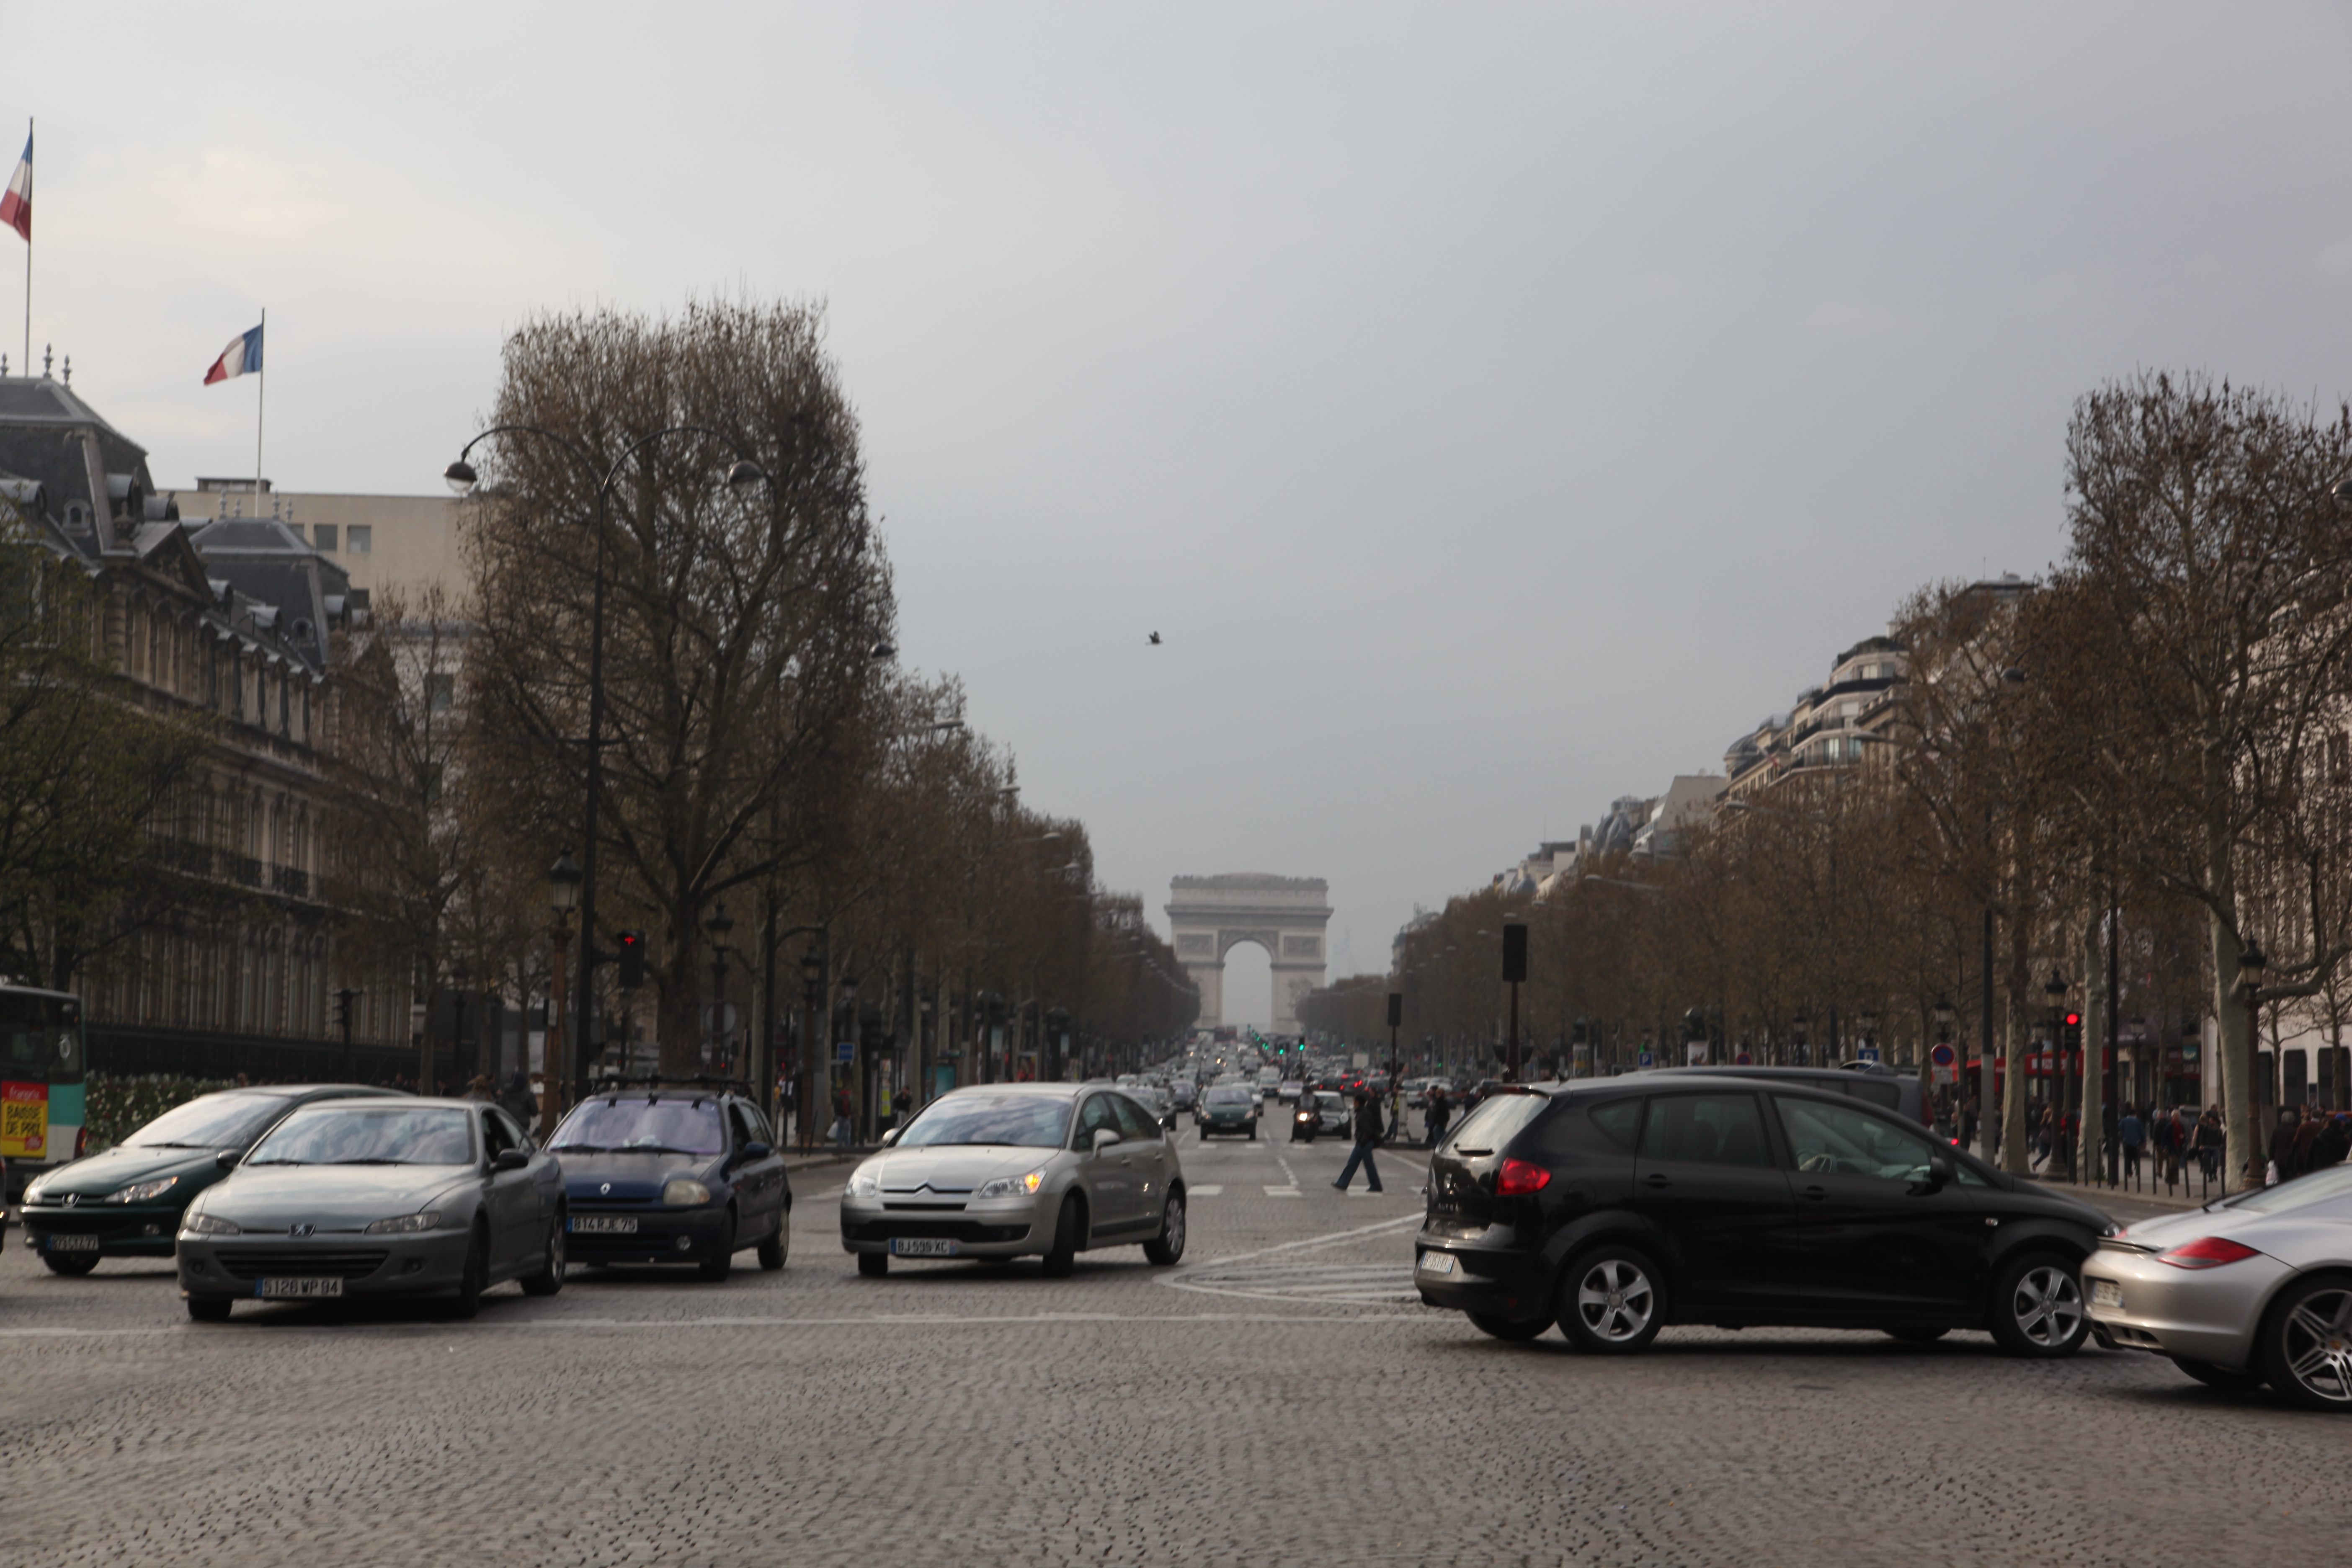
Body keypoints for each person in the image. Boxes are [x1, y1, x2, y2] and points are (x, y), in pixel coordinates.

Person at [1332, 1088, 1385, 1194]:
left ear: (1358, 1102)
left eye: (1354, 1101)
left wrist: (1363, 1141)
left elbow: (1367, 1130)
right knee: (1352, 1164)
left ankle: (1376, 1185)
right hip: (1362, 1142)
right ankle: (1342, 1183)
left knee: (1369, 1165)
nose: (1353, 1103)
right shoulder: (1361, 1112)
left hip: (1365, 1143)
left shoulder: (1363, 1113)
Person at [2119, 1107, 2144, 1183]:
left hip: (2126, 1141)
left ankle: (2129, 1172)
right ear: (2135, 1114)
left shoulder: (2124, 1121)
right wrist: (2144, 1141)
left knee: (2128, 1158)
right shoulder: (2138, 1121)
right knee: (2136, 1155)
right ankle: (2137, 1163)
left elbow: (2119, 1128)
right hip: (2136, 1142)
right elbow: (2142, 1132)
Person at [1424, 1085, 1451, 1149]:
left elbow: (1445, 1113)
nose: (1438, 1095)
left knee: (1436, 1131)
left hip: (1440, 1121)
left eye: (1439, 1093)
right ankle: (1444, 1143)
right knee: (1439, 1132)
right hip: (1436, 1120)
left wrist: (1445, 1121)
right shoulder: (1438, 1101)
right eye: (1437, 1093)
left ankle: (1437, 1146)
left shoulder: (1442, 1101)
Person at [832, 1086, 854, 1150]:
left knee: (840, 1129)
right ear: (849, 1091)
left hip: (838, 1116)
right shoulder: (846, 1098)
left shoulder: (838, 1097)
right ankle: (847, 1144)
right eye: (851, 1092)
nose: (851, 1094)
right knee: (847, 1130)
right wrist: (848, 1115)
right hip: (844, 1117)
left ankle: (839, 1143)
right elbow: (845, 1108)